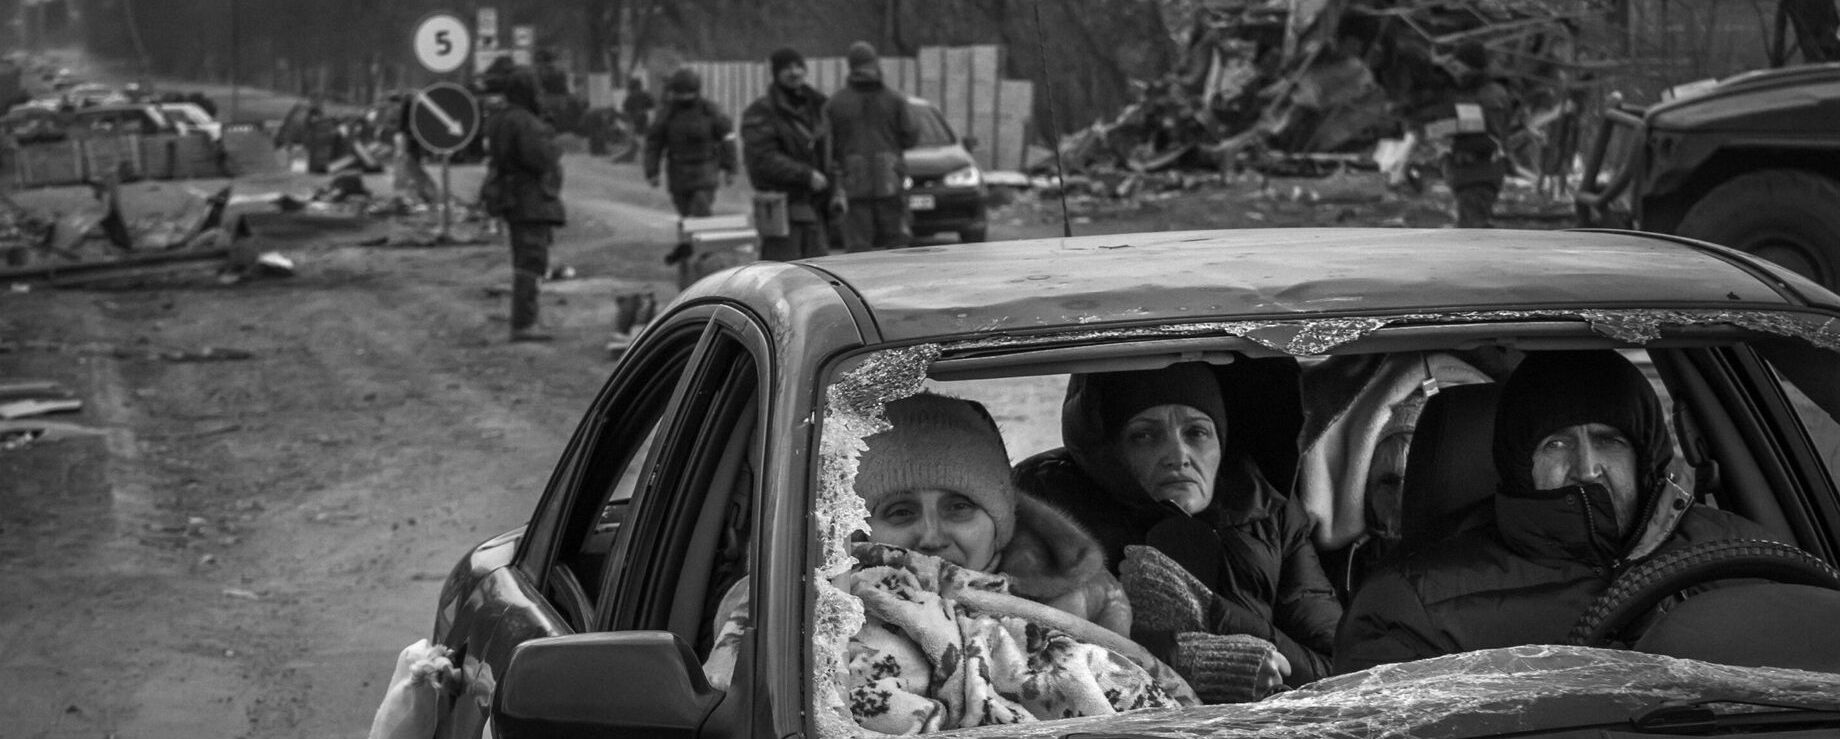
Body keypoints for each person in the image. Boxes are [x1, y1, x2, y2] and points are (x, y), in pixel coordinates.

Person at [701, 392, 1288, 732]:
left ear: (1000, 520)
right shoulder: (790, 604)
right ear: (862, 526)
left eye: (960, 507)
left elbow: (1135, 695)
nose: (931, 536)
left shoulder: (1087, 595)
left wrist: (1190, 664)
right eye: (901, 510)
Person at [1334, 349, 1782, 673]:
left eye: (1609, 440)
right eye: (1557, 444)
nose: (1587, 469)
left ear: (1645, 456)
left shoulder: (1749, 556)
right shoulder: (1412, 603)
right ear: (1519, 464)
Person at [1014, 361, 1343, 688]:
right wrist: (1187, 660)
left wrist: (1212, 613)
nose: (1178, 454)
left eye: (1197, 432)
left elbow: (1340, 667)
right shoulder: (1054, 510)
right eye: (1145, 435)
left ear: (1221, 442)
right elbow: (1030, 652)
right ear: (1112, 452)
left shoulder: (1268, 512)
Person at [478, 68, 567, 343]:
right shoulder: (524, 121)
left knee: (525, 257)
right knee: (532, 258)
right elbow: (541, 158)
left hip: (512, 195)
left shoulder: (500, 118)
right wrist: (548, 134)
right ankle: (524, 322)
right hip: (530, 198)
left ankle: (526, 318)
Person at [741, 47, 835, 260]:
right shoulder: (762, 111)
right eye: (787, 68)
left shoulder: (819, 106)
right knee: (782, 274)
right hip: (782, 207)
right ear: (776, 73)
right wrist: (806, 175)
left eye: (798, 66)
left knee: (820, 276)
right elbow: (762, 159)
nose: (794, 73)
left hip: (816, 207)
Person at [824, 41, 917, 252]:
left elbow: (827, 149)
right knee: (897, 249)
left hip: (853, 185)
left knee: (859, 253)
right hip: (890, 182)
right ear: (876, 63)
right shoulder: (895, 100)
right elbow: (910, 137)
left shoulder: (835, 104)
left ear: (851, 66)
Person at [1428, 41, 1513, 228]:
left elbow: (1492, 138)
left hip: (1478, 178)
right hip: (1465, 176)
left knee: (1472, 237)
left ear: (1471, 66)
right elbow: (1467, 125)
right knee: (1469, 234)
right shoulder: (1468, 91)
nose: (1454, 71)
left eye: (1457, 66)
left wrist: (1450, 144)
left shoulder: (1491, 94)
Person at [644, 67, 738, 218]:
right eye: (680, 93)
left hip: (706, 170)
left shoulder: (710, 111)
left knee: (700, 207)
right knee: (686, 215)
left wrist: (730, 168)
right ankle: (690, 240)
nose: (684, 97)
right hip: (679, 173)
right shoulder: (667, 114)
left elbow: (727, 137)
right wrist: (652, 171)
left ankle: (703, 237)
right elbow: (654, 143)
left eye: (688, 92)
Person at [615, 76, 655, 163]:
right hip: (644, 118)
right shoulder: (646, 95)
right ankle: (640, 155)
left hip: (634, 120)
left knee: (638, 137)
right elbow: (652, 107)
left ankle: (645, 156)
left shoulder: (630, 97)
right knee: (641, 137)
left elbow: (626, 110)